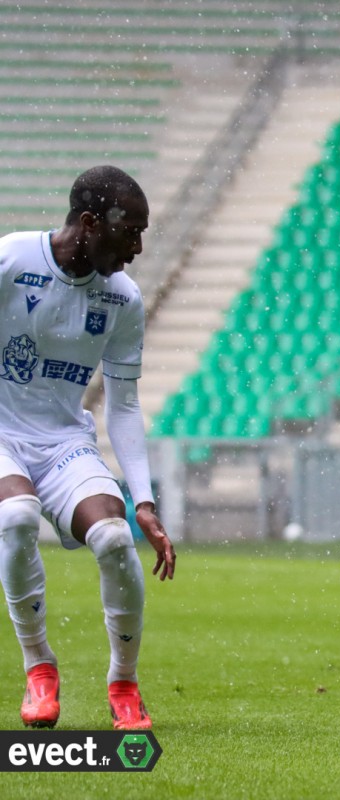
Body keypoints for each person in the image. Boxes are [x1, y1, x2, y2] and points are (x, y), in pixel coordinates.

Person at [0, 165, 176, 731]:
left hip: (63, 441)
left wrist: (143, 501)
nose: (138, 248)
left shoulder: (122, 299)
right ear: (90, 223)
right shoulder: (12, 260)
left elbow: (122, 407)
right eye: (131, 232)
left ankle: (124, 683)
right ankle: (39, 667)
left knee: (114, 537)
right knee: (16, 515)